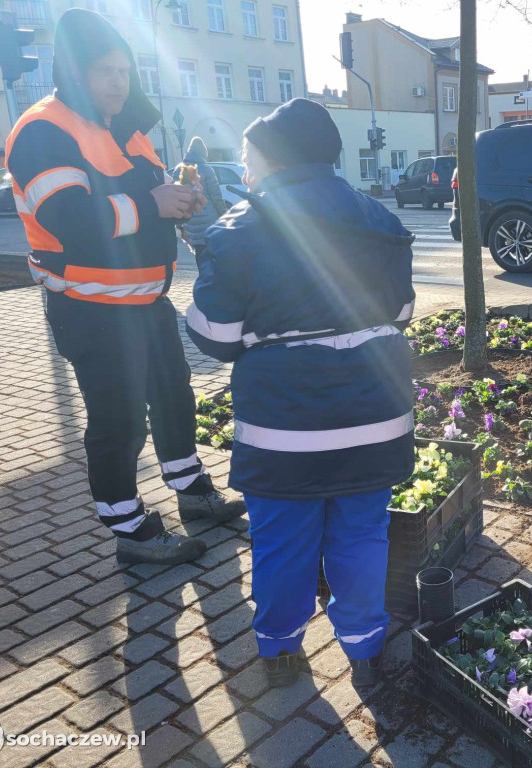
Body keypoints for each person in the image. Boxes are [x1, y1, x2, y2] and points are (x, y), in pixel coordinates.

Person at [186, 98, 416, 689]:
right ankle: (365, 646)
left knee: (284, 541)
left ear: (272, 157)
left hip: (283, 431)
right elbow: (403, 311)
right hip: (376, 419)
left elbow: (215, 336)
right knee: (363, 533)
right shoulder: (380, 219)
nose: (243, 165)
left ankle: (282, 650)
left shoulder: (238, 229)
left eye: (246, 154)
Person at [5, 9, 245, 565]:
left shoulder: (128, 131)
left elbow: (149, 203)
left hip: (145, 303)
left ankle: (192, 492)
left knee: (173, 400)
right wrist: (152, 204)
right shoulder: (44, 130)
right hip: (89, 307)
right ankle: (130, 531)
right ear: (75, 73)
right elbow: (72, 220)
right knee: (117, 420)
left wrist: (181, 203)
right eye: (105, 71)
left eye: (124, 70)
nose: (119, 82)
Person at [174, 137, 228, 258]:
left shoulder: (178, 170)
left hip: (189, 222)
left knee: (200, 256)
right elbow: (217, 198)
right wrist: (225, 217)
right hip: (209, 222)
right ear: (203, 153)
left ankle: (203, 276)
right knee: (213, 259)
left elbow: (177, 198)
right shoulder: (207, 169)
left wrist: (180, 225)